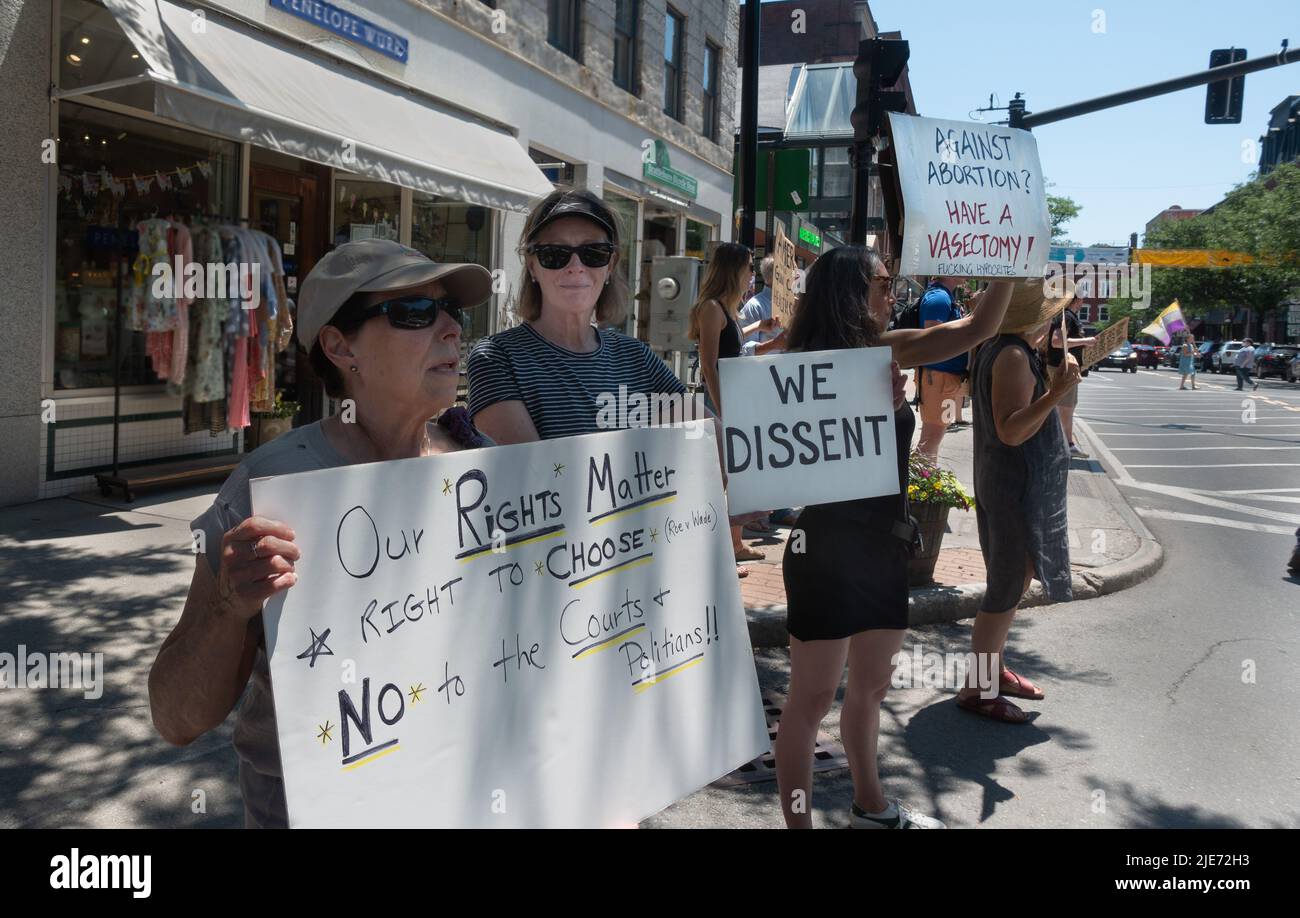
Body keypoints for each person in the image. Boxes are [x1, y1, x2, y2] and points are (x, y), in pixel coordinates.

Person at [148, 239, 494, 828]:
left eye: (452, 313)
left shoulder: (485, 469)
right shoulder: (273, 484)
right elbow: (176, 718)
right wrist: (229, 609)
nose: (450, 330)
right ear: (340, 346)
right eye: (415, 312)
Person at [774, 246, 1013, 829]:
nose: (892, 294)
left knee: (872, 686)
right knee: (809, 702)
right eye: (883, 285)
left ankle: (871, 805)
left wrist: (1012, 259)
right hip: (826, 549)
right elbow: (754, 434)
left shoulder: (886, 349)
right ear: (849, 294)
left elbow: (980, 326)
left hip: (884, 545)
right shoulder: (801, 362)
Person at [467, 189, 692, 442]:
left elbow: (712, 442)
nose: (575, 267)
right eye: (554, 254)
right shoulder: (498, 357)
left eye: (594, 253)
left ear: (610, 266)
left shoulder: (637, 358)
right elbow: (533, 475)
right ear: (532, 266)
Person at [956, 279, 1079, 723]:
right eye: (1049, 313)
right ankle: (978, 689)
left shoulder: (1009, 349)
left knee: (1013, 576)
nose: (1054, 320)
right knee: (1006, 585)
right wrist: (1055, 394)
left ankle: (994, 671)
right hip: (1012, 485)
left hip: (1008, 481)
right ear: (1033, 318)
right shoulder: (1010, 354)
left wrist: (1052, 380)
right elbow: (1011, 430)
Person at [688, 242, 777, 563]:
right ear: (733, 270)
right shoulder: (711, 308)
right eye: (749, 267)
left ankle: (734, 545)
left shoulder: (726, 309)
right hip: (722, 398)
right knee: (722, 476)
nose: (752, 274)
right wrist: (723, 407)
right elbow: (709, 363)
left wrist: (759, 327)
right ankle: (714, 551)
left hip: (733, 396)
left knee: (733, 475)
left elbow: (733, 346)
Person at [916, 275, 970, 460]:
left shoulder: (943, 295)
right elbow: (933, 338)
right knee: (932, 437)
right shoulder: (940, 297)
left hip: (943, 377)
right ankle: (923, 483)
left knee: (935, 435)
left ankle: (926, 479)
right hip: (939, 377)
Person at [1047, 294, 1096, 457]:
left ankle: (1066, 443)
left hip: (1066, 367)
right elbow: (1057, 342)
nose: (1084, 300)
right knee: (1065, 408)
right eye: (1082, 298)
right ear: (1076, 300)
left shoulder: (1069, 316)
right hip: (1062, 367)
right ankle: (1066, 445)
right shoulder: (1066, 316)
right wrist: (1085, 341)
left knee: (1067, 407)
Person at [739, 256, 787, 357]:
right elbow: (745, 349)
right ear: (777, 276)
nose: (793, 278)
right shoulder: (754, 306)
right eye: (788, 273)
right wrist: (774, 344)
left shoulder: (792, 305)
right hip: (766, 370)